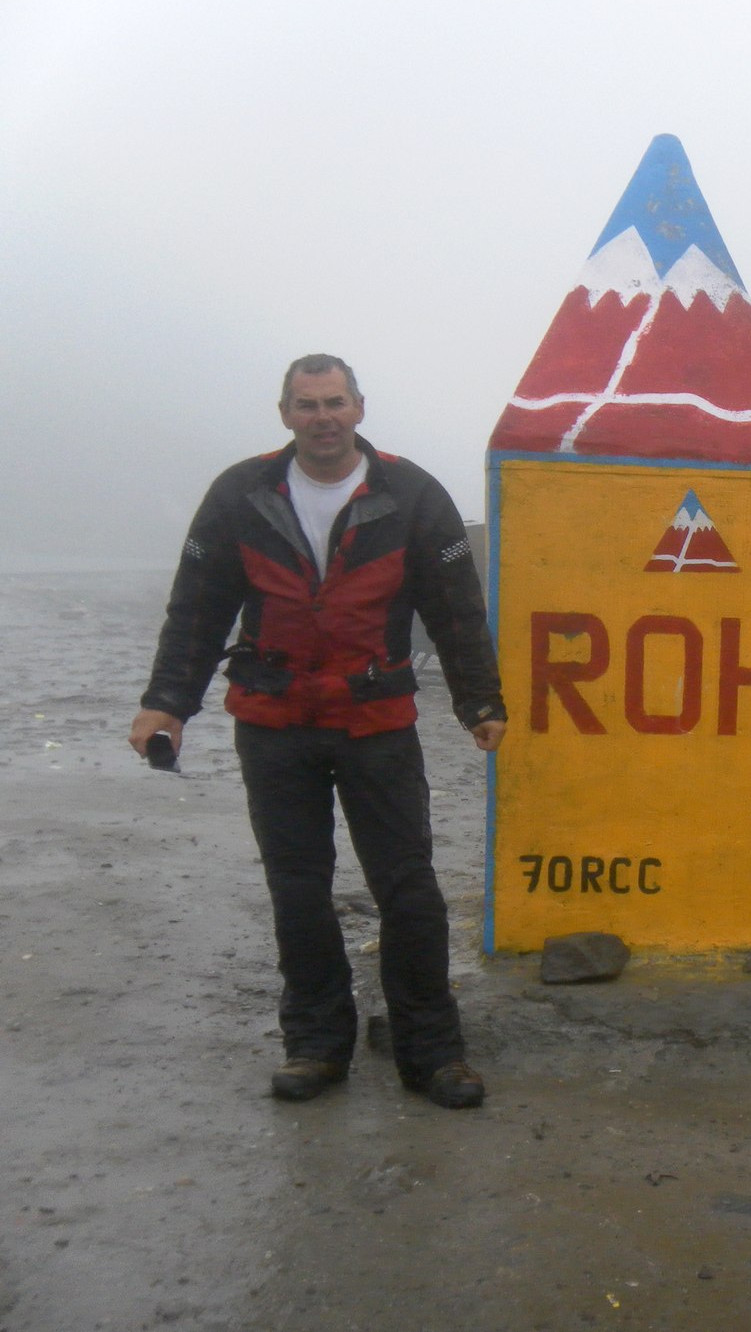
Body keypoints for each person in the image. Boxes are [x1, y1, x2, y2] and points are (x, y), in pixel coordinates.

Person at [130, 354, 507, 1110]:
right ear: (285, 414)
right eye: (307, 404)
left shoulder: (411, 494)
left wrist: (479, 701)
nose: (322, 417)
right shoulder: (241, 494)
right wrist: (168, 700)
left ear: (359, 408)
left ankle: (431, 1051)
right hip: (273, 724)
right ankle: (315, 1045)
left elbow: (456, 610)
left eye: (334, 402)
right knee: (298, 890)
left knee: (409, 892)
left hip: (376, 724)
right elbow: (198, 608)